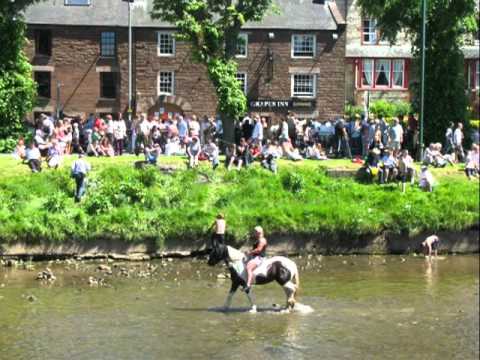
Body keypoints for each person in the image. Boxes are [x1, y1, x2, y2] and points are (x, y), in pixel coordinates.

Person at [244, 226, 268, 293]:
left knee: (249, 267)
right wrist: (249, 251)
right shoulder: (258, 239)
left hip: (260, 258)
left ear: (258, 232)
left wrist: (249, 252)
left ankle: (248, 285)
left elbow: (258, 250)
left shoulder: (262, 240)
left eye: (254, 232)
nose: (254, 233)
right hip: (255, 256)